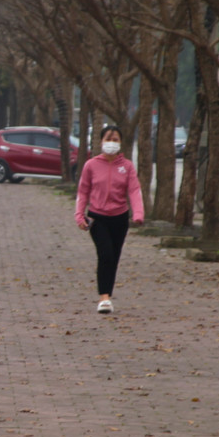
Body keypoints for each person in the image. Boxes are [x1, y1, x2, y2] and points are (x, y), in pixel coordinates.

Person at [74, 126, 145, 314]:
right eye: (108, 139)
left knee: (113, 258)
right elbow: (83, 191)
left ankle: (108, 296)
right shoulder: (91, 165)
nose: (111, 143)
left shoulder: (127, 166)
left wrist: (138, 213)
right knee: (105, 254)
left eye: (115, 139)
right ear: (101, 141)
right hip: (98, 217)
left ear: (120, 143)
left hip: (120, 218)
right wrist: (79, 215)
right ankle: (103, 298)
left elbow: (134, 190)